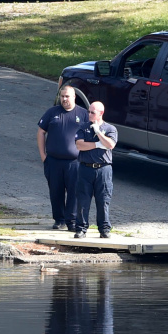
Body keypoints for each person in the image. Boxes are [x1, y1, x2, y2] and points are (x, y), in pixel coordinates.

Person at [37, 86, 88, 231]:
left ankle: (71, 220)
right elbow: (41, 132)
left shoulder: (83, 114)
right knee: (55, 191)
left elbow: (91, 136)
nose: (64, 99)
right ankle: (59, 220)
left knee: (74, 192)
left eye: (67, 96)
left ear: (74, 97)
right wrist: (43, 156)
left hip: (75, 163)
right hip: (53, 161)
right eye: (62, 96)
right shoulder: (52, 112)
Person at [74, 101, 117, 239]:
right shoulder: (83, 127)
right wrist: (98, 144)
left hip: (103, 169)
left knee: (103, 200)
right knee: (83, 200)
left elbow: (110, 144)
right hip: (86, 167)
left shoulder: (110, 129)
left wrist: (98, 132)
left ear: (101, 113)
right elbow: (80, 145)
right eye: (88, 111)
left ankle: (104, 229)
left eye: (93, 112)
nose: (89, 114)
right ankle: (81, 228)